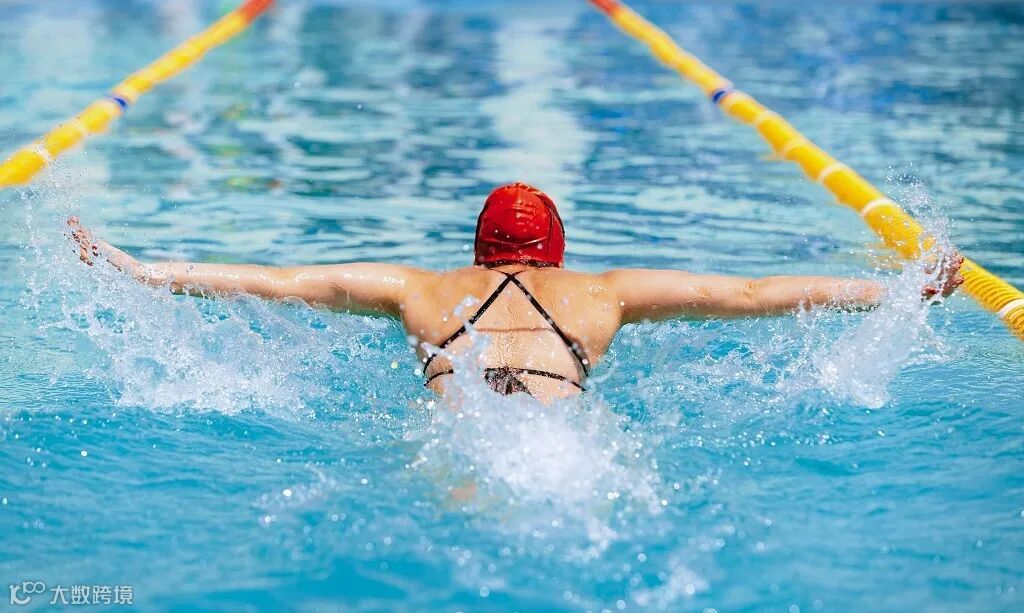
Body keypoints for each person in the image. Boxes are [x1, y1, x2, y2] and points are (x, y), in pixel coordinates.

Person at [68, 182, 963, 402]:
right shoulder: (604, 293)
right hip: (563, 440)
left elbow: (279, 283)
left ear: (479, 247)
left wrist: (141, 270)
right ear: (558, 252)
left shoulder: (418, 288)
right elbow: (757, 292)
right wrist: (899, 289)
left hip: (458, 433)